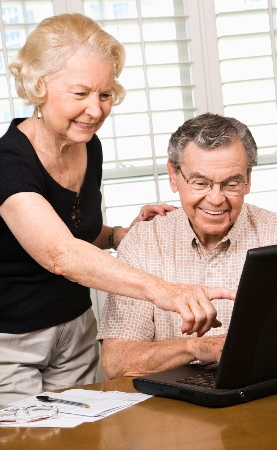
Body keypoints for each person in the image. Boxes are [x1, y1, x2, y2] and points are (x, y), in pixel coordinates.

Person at [0, 15, 235, 407]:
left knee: (82, 437)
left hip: (75, 328)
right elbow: (60, 253)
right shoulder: (8, 163)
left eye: (105, 94)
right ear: (39, 87)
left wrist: (118, 236)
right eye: (80, 94)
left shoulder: (87, 145)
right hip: (12, 340)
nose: (95, 110)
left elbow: (77, 232)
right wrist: (167, 291)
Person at [99, 112, 277, 380]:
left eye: (232, 183)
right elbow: (116, 363)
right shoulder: (142, 243)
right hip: (170, 409)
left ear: (248, 180)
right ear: (173, 176)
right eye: (200, 183)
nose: (216, 199)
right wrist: (195, 346)